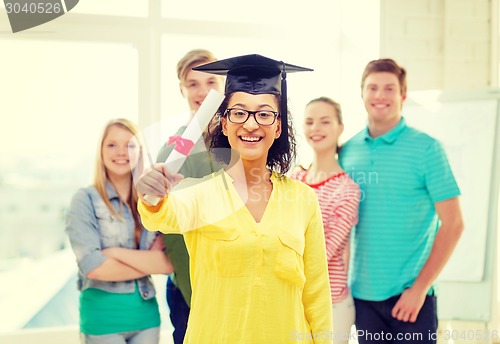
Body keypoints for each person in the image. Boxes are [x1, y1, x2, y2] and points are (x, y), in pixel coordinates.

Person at [136, 54, 333, 343]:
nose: (251, 124)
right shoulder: (199, 195)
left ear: (278, 127)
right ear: (224, 124)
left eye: (264, 114)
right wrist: (152, 195)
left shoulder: (303, 199)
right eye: (239, 113)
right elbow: (161, 214)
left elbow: (316, 293)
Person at [339, 58, 464, 344]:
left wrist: (420, 289)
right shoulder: (347, 151)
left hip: (412, 297)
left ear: (403, 96)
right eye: (372, 88)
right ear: (362, 94)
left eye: (389, 89)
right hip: (362, 297)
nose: (380, 96)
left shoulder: (427, 149)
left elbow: (454, 224)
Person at [65, 118, 173, 343]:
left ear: (140, 151)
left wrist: (113, 253)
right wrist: (146, 262)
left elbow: (166, 264)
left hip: (147, 318)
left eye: (130, 145)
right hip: (102, 321)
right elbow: (94, 267)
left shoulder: (153, 202)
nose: (121, 152)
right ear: (101, 151)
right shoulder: (84, 200)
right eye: (112, 144)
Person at [156, 49, 224, 344]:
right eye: (192, 84)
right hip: (190, 288)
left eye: (210, 82)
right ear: (181, 89)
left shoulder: (242, 141)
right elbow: (166, 224)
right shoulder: (172, 152)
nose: (202, 91)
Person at [290, 97, 360, 344]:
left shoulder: (348, 189)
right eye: (309, 122)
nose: (315, 128)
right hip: (292, 299)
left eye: (325, 121)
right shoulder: (294, 179)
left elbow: (325, 251)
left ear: (340, 128)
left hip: (331, 303)